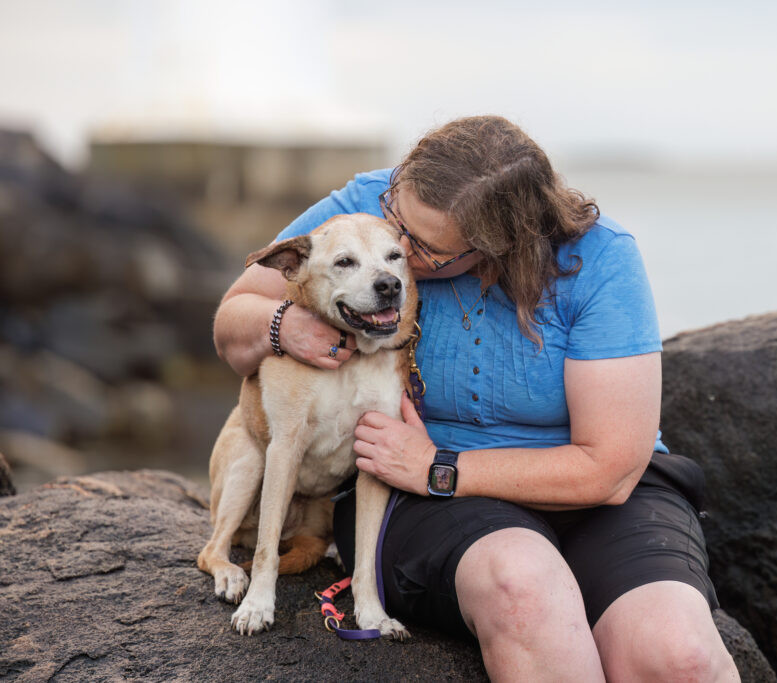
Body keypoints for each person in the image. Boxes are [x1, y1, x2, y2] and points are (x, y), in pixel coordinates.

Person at [213, 115, 739, 682]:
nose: (395, 254)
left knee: (676, 654)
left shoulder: (599, 260)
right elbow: (233, 318)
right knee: (522, 590)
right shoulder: (368, 209)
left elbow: (609, 471)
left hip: (576, 491)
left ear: (495, 247)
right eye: (397, 221)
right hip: (426, 501)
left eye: (421, 249)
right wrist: (284, 324)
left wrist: (437, 466)